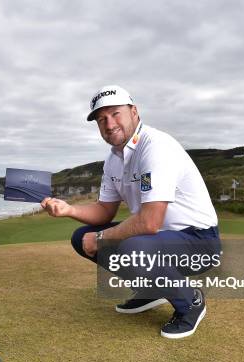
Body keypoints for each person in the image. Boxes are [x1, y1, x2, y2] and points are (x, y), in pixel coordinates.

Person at [41, 85, 221, 339]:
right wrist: (68, 209)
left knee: (131, 248)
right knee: (81, 236)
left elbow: (149, 222)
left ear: (134, 112)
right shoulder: (113, 159)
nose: (109, 123)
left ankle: (190, 303)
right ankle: (153, 289)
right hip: (160, 239)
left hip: (200, 241)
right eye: (101, 119)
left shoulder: (156, 146)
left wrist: (102, 238)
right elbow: (104, 211)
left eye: (115, 114)